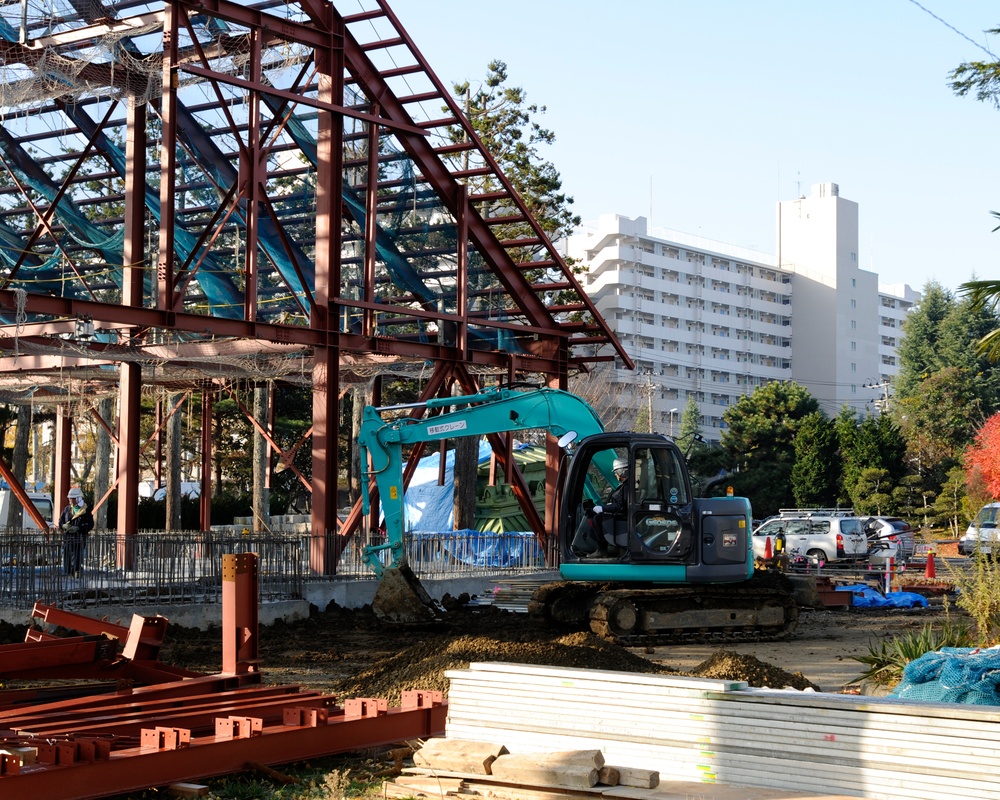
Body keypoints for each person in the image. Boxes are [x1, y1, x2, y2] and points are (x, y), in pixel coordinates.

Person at [60, 489, 93, 577]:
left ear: (78, 498)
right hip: (68, 538)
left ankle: (76, 573)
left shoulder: (85, 510)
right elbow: (60, 521)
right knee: (67, 556)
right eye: (70, 498)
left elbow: (90, 524)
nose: (70, 500)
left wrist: (78, 528)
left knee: (77, 557)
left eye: (72, 498)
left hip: (79, 538)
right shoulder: (67, 509)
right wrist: (63, 526)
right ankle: (67, 573)